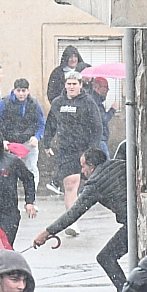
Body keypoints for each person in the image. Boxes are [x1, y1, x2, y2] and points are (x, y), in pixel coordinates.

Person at [32, 146, 127, 292]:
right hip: (134, 220)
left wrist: (46, 233)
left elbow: (73, 213)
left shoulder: (95, 184)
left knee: (105, 257)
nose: (82, 171)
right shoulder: (119, 164)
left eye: (83, 167)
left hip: (132, 224)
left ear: (92, 166)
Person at [43, 72, 103, 215]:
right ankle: (71, 221)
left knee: (80, 183)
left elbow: (97, 126)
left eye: (74, 84)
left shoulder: (88, 102)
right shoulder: (58, 102)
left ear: (80, 85)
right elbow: (51, 124)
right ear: (65, 85)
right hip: (64, 150)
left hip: (83, 150)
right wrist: (46, 143)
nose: (71, 87)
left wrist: (92, 149)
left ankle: (75, 213)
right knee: (71, 183)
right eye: (69, 84)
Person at [0, 77, 46, 188]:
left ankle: (31, 199)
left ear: (28, 91)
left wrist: (37, 137)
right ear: (14, 90)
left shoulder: (34, 104)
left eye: (24, 91)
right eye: (18, 91)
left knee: (31, 169)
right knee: (8, 171)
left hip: (28, 141)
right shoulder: (5, 102)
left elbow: (41, 123)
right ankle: (9, 199)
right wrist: (1, 140)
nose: (21, 94)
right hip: (9, 143)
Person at [87, 77, 116, 156]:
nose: (108, 89)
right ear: (97, 87)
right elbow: (103, 119)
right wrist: (112, 110)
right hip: (99, 139)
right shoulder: (95, 102)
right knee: (106, 165)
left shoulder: (94, 99)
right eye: (106, 87)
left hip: (97, 139)